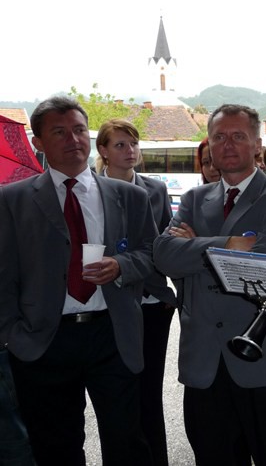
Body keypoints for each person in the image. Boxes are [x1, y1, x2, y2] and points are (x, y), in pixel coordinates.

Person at [0, 96, 157, 465]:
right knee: (56, 446)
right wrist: (12, 333)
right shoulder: (12, 200)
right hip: (45, 338)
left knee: (127, 441)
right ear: (38, 142)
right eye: (59, 132)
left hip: (112, 334)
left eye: (79, 129)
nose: (73, 139)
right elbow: (3, 273)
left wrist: (120, 265)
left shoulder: (130, 196)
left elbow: (152, 252)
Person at [153, 104, 266, 466]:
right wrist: (231, 244)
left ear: (256, 143)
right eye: (219, 136)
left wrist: (196, 247)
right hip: (205, 363)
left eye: (239, 136)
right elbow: (163, 256)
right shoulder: (193, 198)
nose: (228, 144)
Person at [95, 119, 177, 466]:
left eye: (133, 144)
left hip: (152, 300)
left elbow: (161, 242)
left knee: (148, 393)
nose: (130, 151)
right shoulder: (92, 190)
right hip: (111, 301)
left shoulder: (155, 189)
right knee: (117, 393)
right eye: (120, 145)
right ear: (103, 151)